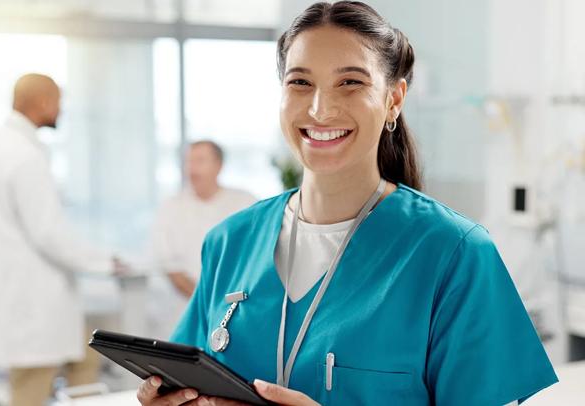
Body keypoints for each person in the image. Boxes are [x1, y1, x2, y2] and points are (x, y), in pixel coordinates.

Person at [137, 2, 558, 405]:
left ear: (394, 99)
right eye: (300, 82)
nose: (321, 109)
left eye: (350, 82)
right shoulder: (230, 242)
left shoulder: (454, 253)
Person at [0, 73, 124, 406]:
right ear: (43, 102)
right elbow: (48, 233)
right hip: (33, 303)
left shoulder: (4, 146)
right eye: (58, 102)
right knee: (30, 389)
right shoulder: (24, 156)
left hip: (22, 297)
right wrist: (104, 262)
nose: (60, 110)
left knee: (86, 357)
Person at [149, 141, 256, 339]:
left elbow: (255, 258)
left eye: (200, 161)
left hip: (235, 311)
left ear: (219, 165)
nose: (192, 169)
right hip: (182, 313)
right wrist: (208, 302)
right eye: (189, 161)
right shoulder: (171, 208)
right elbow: (171, 267)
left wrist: (225, 304)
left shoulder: (245, 204)